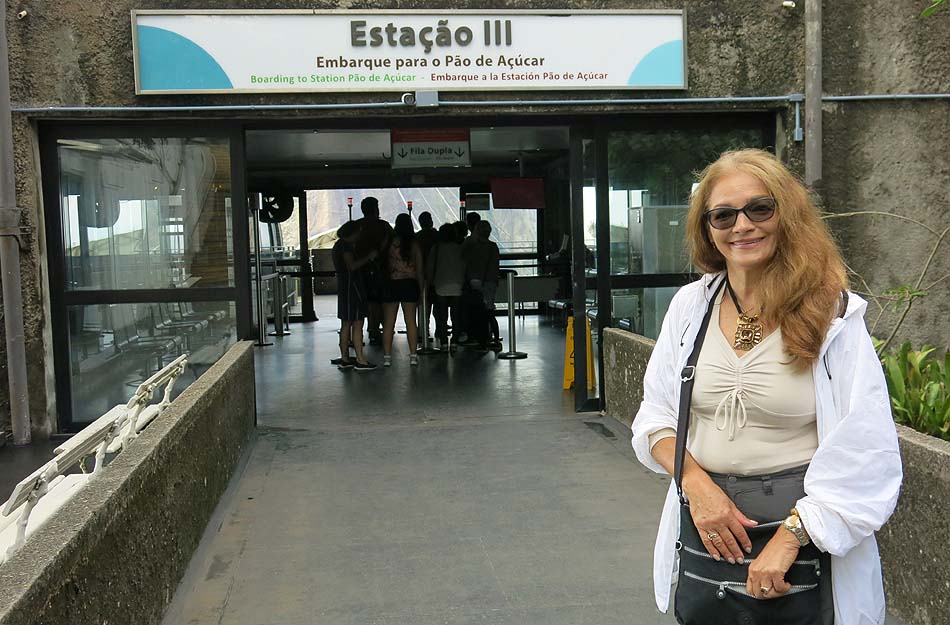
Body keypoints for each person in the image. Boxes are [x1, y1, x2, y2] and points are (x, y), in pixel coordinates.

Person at [631, 149, 902, 624]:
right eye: (723, 215)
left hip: (805, 535)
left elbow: (867, 447)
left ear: (787, 216)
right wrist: (696, 486)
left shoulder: (831, 313)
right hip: (708, 529)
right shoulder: (691, 307)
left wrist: (792, 538)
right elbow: (656, 416)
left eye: (760, 208)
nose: (742, 226)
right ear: (707, 229)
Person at [331, 221, 378, 371]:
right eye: (358, 232)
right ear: (352, 233)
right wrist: (369, 257)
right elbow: (351, 266)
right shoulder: (346, 247)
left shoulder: (338, 245)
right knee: (358, 323)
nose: (359, 235)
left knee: (345, 323)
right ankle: (360, 359)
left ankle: (345, 358)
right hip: (353, 288)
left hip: (344, 288)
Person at [381, 213, 424, 366]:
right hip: (409, 284)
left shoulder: (389, 243)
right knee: (411, 321)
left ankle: (387, 357)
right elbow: (419, 270)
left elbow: (382, 261)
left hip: (392, 284)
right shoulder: (414, 244)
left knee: (389, 323)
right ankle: (413, 355)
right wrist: (421, 289)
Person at [354, 197, 393, 345]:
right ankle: (381, 328)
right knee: (381, 302)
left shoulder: (358, 226)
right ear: (376, 209)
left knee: (368, 302)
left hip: (361, 270)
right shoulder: (383, 226)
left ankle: (370, 329)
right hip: (382, 270)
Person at [426, 223, 465, 350]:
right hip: (457, 285)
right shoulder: (459, 248)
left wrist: (429, 283)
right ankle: (454, 341)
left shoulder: (436, 248)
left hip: (440, 285)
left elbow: (430, 267)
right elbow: (465, 265)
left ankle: (443, 342)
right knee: (456, 316)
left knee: (442, 316)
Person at [416, 211, 440, 340]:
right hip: (437, 274)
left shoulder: (417, 237)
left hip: (420, 273)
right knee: (438, 303)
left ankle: (423, 330)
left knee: (424, 304)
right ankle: (440, 328)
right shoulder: (437, 236)